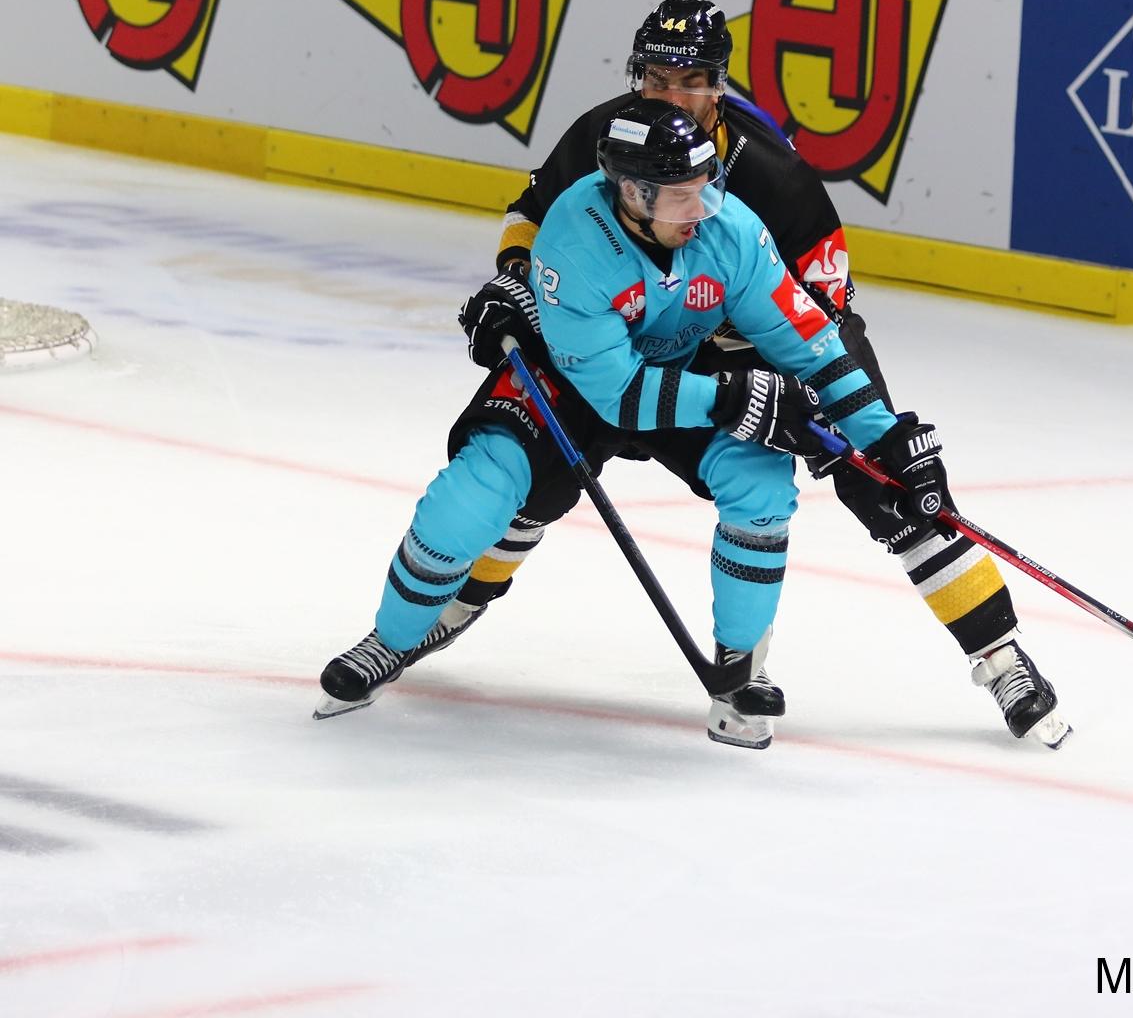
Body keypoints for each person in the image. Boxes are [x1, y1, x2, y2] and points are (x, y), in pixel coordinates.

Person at [419, 0, 1066, 748]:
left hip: (767, 338)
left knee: (885, 477)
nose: (670, 97)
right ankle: (460, 601)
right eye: (655, 78)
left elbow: (819, 318)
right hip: (638, 333)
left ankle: (1001, 657)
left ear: (720, 86)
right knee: (547, 451)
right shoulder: (608, 133)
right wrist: (518, 283)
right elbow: (531, 214)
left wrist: (832, 416)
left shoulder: (774, 176)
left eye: (690, 80)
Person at [315, 100, 936, 749]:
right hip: (576, 381)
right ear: (633, 194)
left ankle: (740, 672)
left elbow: (810, 342)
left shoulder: (728, 228)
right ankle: (390, 640)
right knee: (477, 490)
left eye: (705, 189)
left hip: (684, 370)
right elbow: (616, 394)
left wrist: (882, 436)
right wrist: (732, 398)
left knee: (761, 483)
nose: (700, 211)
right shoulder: (575, 238)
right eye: (679, 198)